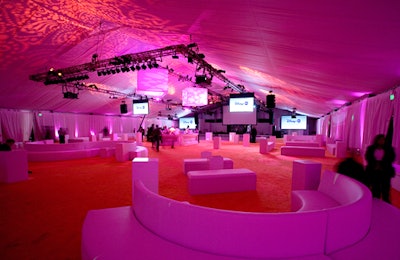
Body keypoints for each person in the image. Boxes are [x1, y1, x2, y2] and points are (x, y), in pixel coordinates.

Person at [365, 134, 396, 203]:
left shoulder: (389, 149)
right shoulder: (371, 148)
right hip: (374, 170)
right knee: (375, 188)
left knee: (385, 188)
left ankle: (386, 203)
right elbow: (368, 157)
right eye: (380, 139)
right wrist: (375, 164)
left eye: (383, 139)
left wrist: (382, 165)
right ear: (377, 140)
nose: (382, 141)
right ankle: (376, 202)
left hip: (385, 170)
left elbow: (392, 158)